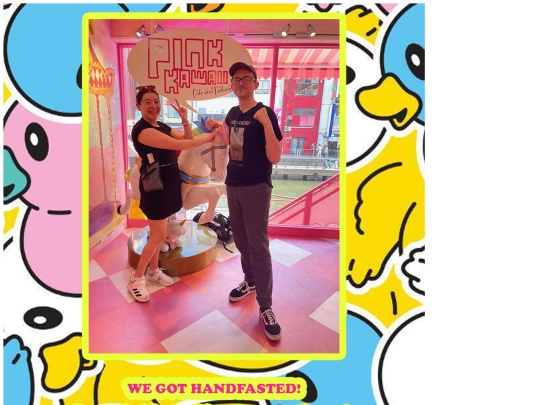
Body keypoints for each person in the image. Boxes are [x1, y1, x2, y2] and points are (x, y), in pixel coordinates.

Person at [127, 85, 217, 302]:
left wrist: (185, 121)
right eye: (147, 102)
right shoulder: (143, 130)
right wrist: (208, 138)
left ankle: (153, 270)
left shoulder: (161, 125)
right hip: (155, 185)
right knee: (158, 235)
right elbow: (179, 143)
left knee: (160, 232)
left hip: (169, 181)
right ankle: (136, 278)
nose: (153, 106)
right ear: (138, 106)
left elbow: (186, 140)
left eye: (156, 101)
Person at [224, 62, 283, 340]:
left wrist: (266, 123)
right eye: (236, 79)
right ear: (232, 85)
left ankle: (266, 306)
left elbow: (275, 157)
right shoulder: (233, 113)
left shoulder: (264, 112)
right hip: (233, 184)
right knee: (241, 240)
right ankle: (249, 282)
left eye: (246, 79)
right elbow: (227, 143)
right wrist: (213, 128)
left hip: (256, 187)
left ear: (255, 84)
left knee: (258, 246)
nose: (241, 83)